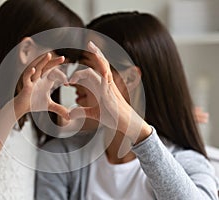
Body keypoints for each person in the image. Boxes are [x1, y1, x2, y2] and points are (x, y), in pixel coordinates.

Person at [35, 12, 219, 199]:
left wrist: (138, 132)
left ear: (130, 78)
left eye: (86, 67)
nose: (72, 81)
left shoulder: (188, 164)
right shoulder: (63, 157)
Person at [0, 0, 83, 199]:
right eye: (62, 65)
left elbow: (86, 119)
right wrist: (19, 106)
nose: (63, 77)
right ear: (26, 50)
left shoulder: (32, 119)